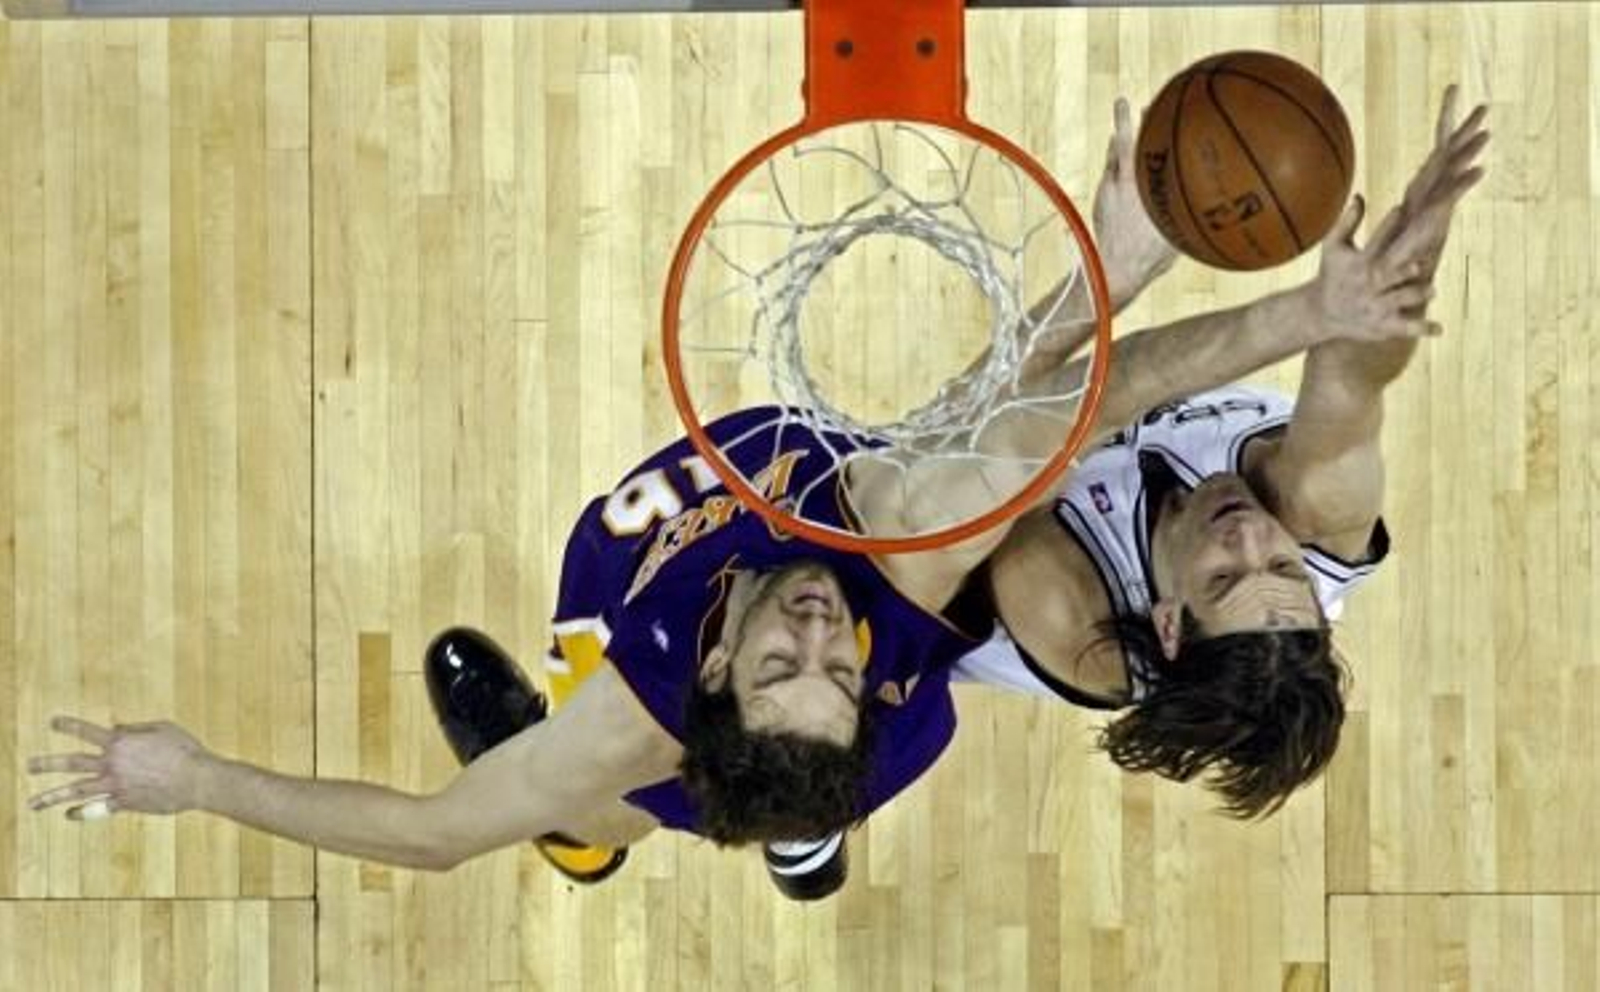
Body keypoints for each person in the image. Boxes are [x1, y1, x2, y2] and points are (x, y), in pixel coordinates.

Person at [24, 94, 1464, 900]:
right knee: (693, 780)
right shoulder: (899, 582)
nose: (821, 629)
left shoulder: (695, 689)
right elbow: (1045, 415)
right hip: (866, 674)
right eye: (834, 662)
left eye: (788, 659)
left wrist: (190, 779)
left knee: (624, 796)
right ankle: (780, 826)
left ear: (715, 663)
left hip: (716, 684)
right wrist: (1286, 294)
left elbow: (432, 832)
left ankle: (721, 825)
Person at [952, 87, 1490, 819]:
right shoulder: (1319, 515)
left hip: (905, 579)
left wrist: (1107, 277)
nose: (1251, 536)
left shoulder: (1066, 610)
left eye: (1224, 576)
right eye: (1283, 567)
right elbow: (1354, 370)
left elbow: (993, 416)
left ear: (1169, 622)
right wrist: (1412, 254)